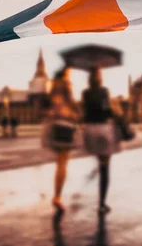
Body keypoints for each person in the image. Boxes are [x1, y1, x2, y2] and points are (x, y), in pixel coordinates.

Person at [82, 67, 120, 215]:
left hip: (89, 131)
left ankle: (97, 167)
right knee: (105, 168)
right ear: (99, 78)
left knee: (100, 161)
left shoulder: (85, 93)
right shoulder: (104, 91)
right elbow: (106, 110)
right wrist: (113, 109)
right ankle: (102, 204)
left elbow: (85, 112)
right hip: (102, 130)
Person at [42, 66, 78, 213]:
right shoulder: (66, 84)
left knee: (59, 163)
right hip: (65, 124)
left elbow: (47, 105)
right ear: (66, 72)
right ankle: (57, 196)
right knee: (63, 163)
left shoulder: (52, 86)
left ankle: (57, 195)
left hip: (54, 125)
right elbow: (71, 104)